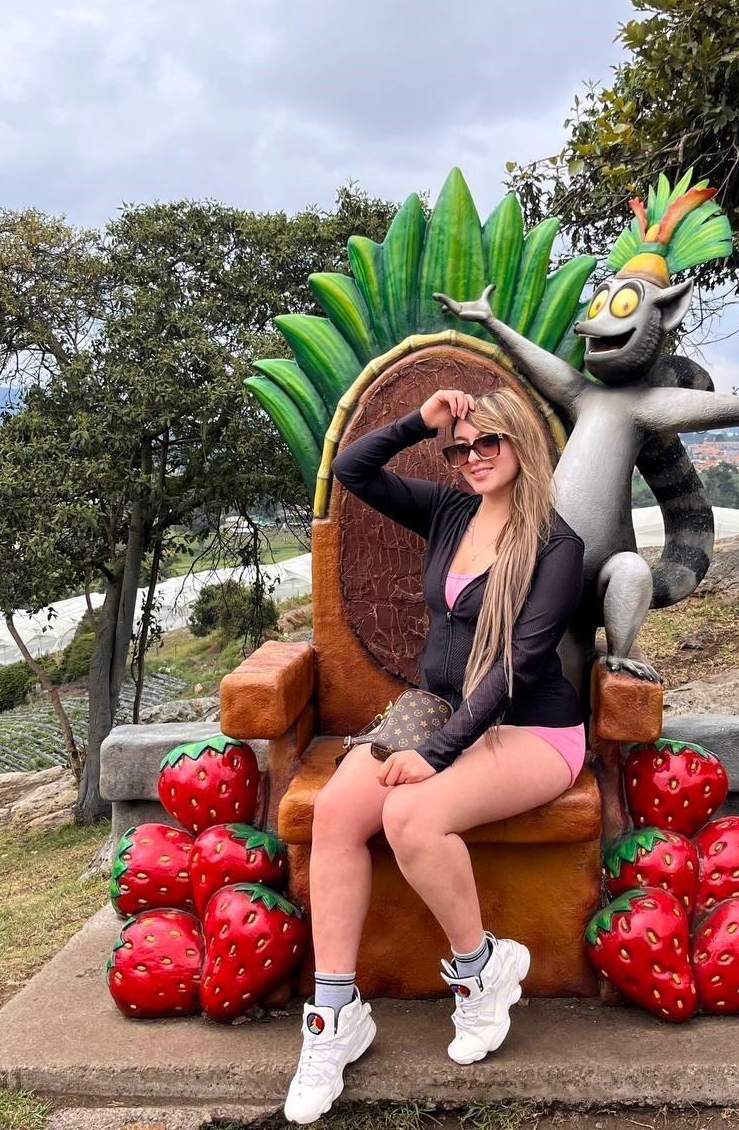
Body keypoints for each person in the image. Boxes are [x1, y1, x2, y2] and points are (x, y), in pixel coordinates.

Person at [284, 386, 587, 1124]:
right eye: (460, 448)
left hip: (531, 727)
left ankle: (482, 972)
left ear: (521, 443)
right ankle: (335, 1016)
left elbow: (517, 666)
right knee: (336, 815)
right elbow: (352, 471)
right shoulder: (450, 512)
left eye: (489, 442)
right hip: (438, 707)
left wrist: (438, 756)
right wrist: (418, 423)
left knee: (411, 816)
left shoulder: (556, 546)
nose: (473, 456)